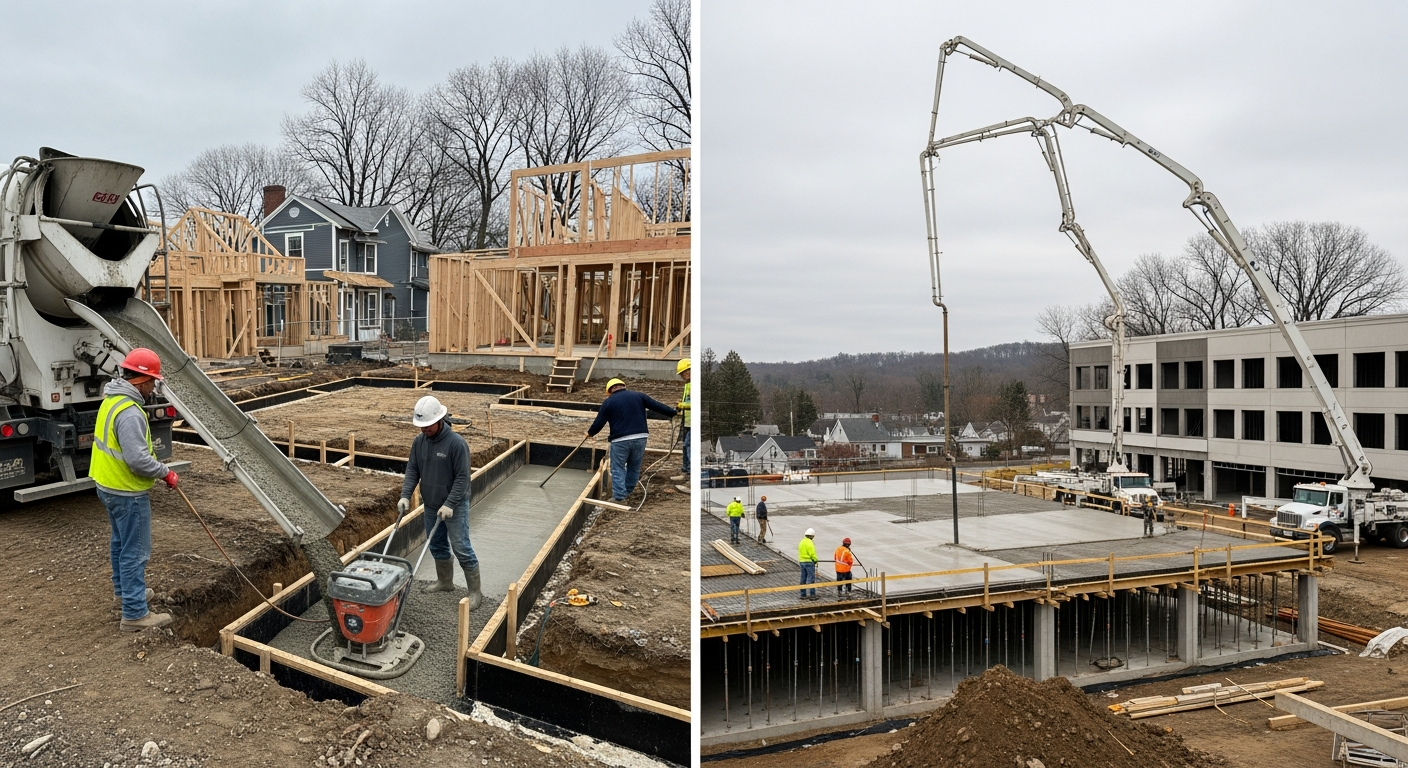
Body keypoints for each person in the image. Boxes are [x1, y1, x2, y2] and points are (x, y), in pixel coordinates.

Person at [90, 347, 178, 632]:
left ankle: (125, 594)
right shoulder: (130, 413)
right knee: (135, 552)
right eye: (153, 381)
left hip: (107, 486)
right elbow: (138, 460)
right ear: (141, 380)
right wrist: (166, 473)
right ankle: (135, 613)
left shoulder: (111, 400)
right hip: (127, 492)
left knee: (120, 544)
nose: (154, 387)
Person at [399, 395, 482, 609]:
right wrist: (405, 495)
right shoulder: (419, 442)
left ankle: (475, 592)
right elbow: (412, 470)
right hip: (432, 504)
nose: (424, 430)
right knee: (436, 544)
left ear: (440, 420)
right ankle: (445, 582)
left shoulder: (456, 444)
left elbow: (463, 478)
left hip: (455, 505)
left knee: (461, 546)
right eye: (421, 426)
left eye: (427, 426)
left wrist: (450, 503)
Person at [587, 378, 677, 502]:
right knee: (634, 466)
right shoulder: (638, 396)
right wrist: (673, 412)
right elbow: (656, 406)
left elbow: (599, 422)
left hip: (620, 440)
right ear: (623, 386)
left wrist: (590, 433)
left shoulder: (608, 402)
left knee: (617, 467)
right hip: (641, 437)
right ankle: (628, 492)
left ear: (610, 390)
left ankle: (619, 497)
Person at [669, 359, 691, 491]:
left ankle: (691, 479)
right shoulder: (688, 385)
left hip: (693, 421)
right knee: (685, 446)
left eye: (683, 373)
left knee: (689, 446)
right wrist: (681, 406)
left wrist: (683, 405)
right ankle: (686, 471)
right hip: (687, 421)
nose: (682, 376)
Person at [798, 528, 819, 600]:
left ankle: (803, 595)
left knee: (803, 578)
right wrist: (815, 560)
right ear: (812, 536)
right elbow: (812, 553)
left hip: (802, 562)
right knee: (811, 578)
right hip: (809, 562)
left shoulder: (802, 542)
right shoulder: (810, 542)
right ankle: (812, 595)